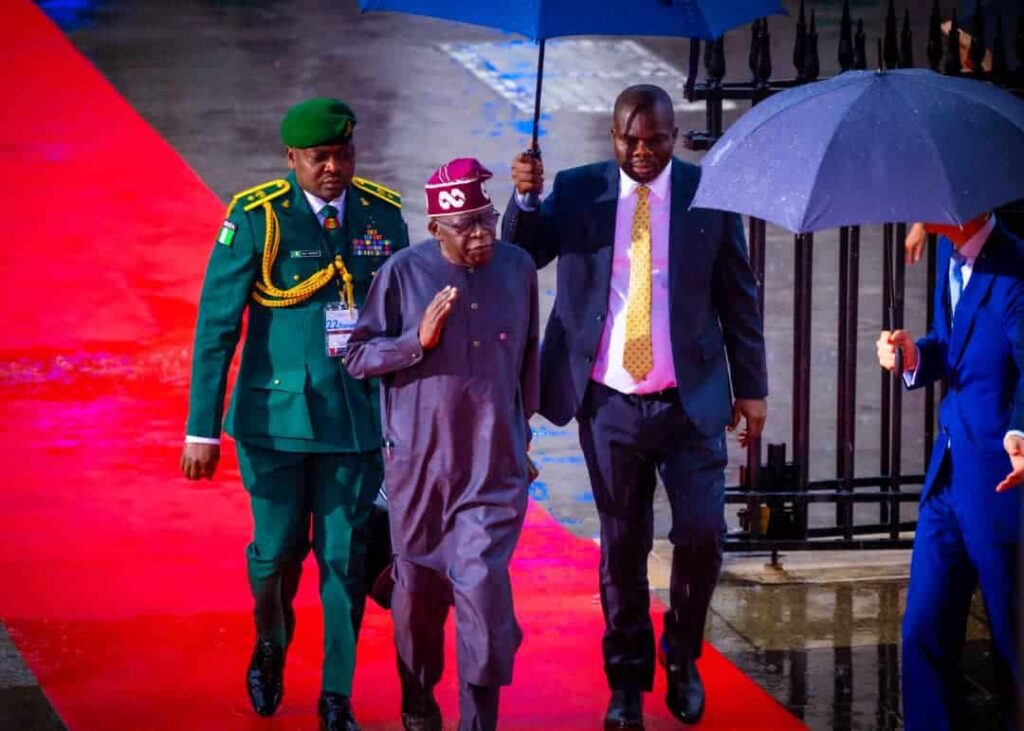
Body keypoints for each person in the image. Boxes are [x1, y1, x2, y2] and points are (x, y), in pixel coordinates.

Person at [502, 84, 768, 728]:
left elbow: (738, 293)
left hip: (690, 401)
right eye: (630, 139)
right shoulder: (577, 188)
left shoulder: (707, 193)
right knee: (623, 543)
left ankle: (682, 655)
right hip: (609, 400)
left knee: (702, 535)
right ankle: (625, 682)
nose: (642, 151)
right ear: (612, 137)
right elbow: (522, 254)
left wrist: (752, 387)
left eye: (654, 140)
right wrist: (526, 199)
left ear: (674, 137)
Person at [179, 97, 408, 731]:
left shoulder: (383, 215)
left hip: (353, 422)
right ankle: (271, 640)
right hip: (275, 420)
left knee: (346, 557)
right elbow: (216, 327)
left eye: (343, 154)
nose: (334, 168)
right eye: (319, 158)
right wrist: (201, 428)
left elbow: (397, 322)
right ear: (292, 159)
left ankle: (337, 694)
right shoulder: (258, 217)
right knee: (277, 553)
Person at [345, 158, 539, 731]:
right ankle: (419, 697)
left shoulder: (519, 267)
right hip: (420, 469)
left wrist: (521, 435)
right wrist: (416, 341)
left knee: (481, 586)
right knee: (420, 595)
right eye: (467, 226)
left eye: (487, 221)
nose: (481, 236)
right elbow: (358, 356)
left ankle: (478, 723)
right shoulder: (403, 273)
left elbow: (528, 357)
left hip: (494, 467)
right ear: (436, 228)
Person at [876, 211, 1024, 729]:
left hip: (1000, 481)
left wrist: (1020, 431)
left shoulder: (1014, 269)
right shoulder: (950, 254)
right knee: (923, 631)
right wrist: (915, 355)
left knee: (1014, 640)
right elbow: (952, 342)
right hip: (949, 475)